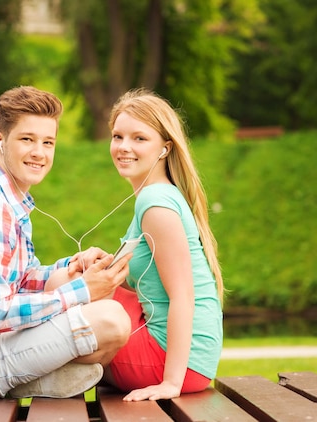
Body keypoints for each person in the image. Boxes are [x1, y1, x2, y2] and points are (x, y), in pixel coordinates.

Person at [0, 86, 132, 402]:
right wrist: (82, 291)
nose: (39, 152)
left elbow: (24, 280)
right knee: (111, 318)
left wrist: (73, 267)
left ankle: (33, 381)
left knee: (85, 291)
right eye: (27, 140)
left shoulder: (11, 201)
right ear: (0, 142)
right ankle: (30, 381)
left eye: (48, 142)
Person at [103, 88, 224, 401]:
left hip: (171, 362)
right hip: (179, 358)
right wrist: (105, 264)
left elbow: (183, 295)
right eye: (118, 136)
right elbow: (138, 285)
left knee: (74, 301)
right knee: (82, 287)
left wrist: (170, 383)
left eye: (139, 138)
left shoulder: (155, 202)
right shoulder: (155, 195)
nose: (123, 147)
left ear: (164, 148)